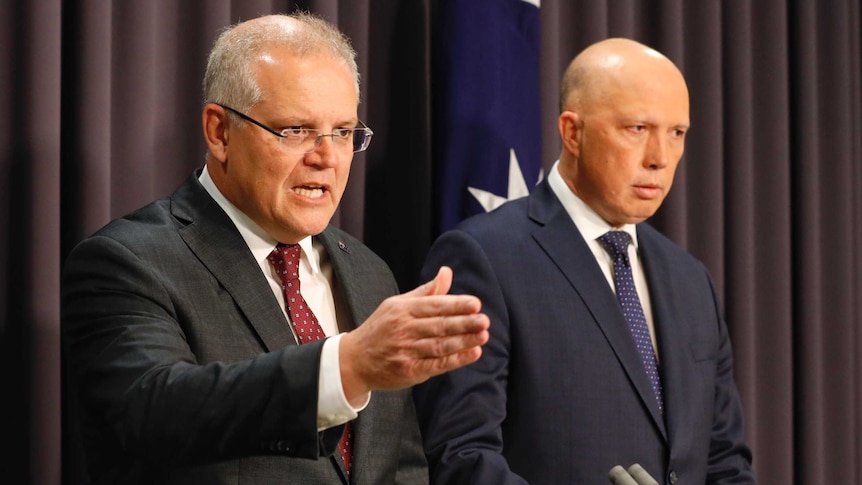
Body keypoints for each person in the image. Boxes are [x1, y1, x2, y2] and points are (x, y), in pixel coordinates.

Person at [61, 12, 489, 485]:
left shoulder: (367, 271)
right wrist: (347, 365)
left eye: (343, 132)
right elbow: (158, 412)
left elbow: (398, 465)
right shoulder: (128, 262)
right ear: (220, 132)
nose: (326, 158)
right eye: (296, 130)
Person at [413, 38, 755, 484]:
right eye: (637, 128)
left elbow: (725, 461)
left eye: (677, 133)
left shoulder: (690, 280)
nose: (661, 158)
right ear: (573, 132)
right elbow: (460, 456)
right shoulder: (484, 258)